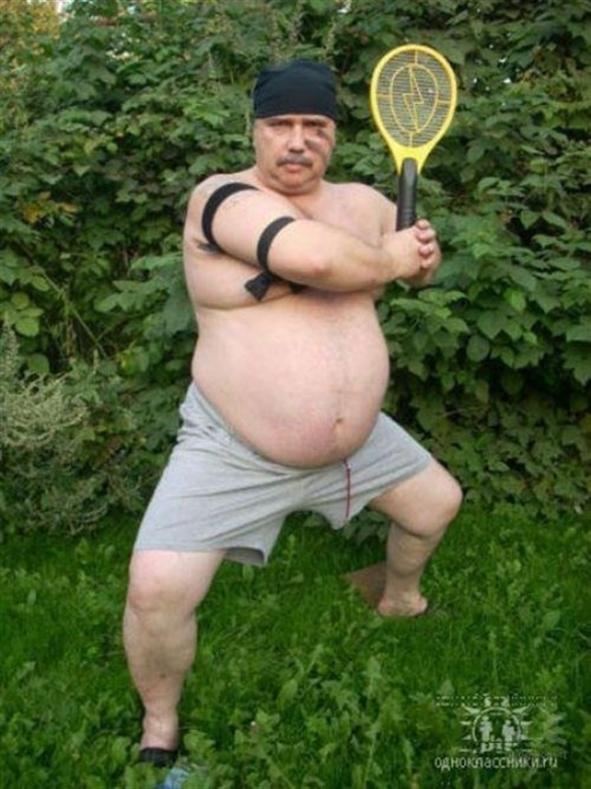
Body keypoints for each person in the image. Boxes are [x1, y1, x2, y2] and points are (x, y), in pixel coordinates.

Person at [123, 59, 463, 766]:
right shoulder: (221, 197)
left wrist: (419, 259)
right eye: (280, 124)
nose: (298, 140)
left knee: (436, 505)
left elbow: (414, 266)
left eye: (316, 125)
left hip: (357, 440)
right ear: (254, 129)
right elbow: (315, 258)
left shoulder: (366, 203)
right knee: (157, 590)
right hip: (235, 446)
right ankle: (160, 725)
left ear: (335, 134)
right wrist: (380, 261)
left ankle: (398, 597)